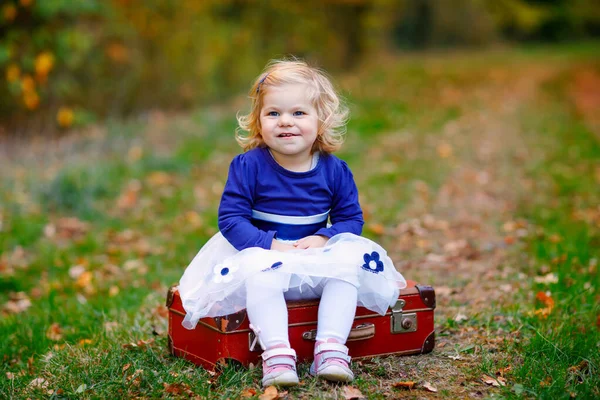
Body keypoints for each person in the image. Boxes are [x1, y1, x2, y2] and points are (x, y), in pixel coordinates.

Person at [178, 59, 406, 387]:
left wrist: (326, 239)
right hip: (262, 254)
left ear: (321, 121)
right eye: (274, 113)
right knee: (262, 275)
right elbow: (230, 218)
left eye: (298, 113)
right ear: (258, 121)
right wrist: (269, 244)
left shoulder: (334, 170)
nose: (286, 122)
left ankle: (330, 348)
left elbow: (350, 219)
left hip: (312, 257)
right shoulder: (248, 166)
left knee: (345, 270)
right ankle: (278, 354)